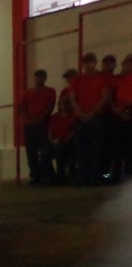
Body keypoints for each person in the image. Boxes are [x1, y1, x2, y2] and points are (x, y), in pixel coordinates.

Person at [67, 51, 112, 185]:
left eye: (90, 62)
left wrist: (91, 113)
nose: (88, 65)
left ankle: (95, 176)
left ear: (95, 63)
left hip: (97, 118)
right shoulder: (77, 79)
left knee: (96, 148)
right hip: (82, 118)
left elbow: (105, 97)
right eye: (86, 62)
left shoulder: (103, 78)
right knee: (81, 148)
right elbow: (73, 99)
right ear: (83, 64)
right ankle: (83, 177)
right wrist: (81, 113)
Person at [18, 69, 56, 184]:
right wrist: (29, 120)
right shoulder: (28, 92)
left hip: (43, 124)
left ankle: (46, 174)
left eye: (40, 77)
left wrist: (39, 119)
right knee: (31, 152)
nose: (38, 79)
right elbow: (21, 107)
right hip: (31, 125)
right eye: (37, 77)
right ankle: (36, 176)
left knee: (45, 151)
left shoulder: (50, 91)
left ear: (45, 78)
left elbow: (50, 106)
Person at [111, 53, 132, 180]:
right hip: (118, 116)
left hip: (129, 114)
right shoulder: (117, 79)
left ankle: (128, 171)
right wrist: (117, 110)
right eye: (125, 63)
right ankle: (116, 172)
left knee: (129, 145)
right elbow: (110, 97)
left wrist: (125, 110)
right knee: (117, 145)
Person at [48, 93, 77, 185]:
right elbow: (50, 131)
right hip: (55, 141)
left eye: (65, 104)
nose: (63, 106)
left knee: (63, 150)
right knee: (46, 152)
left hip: (67, 141)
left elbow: (73, 131)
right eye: (61, 104)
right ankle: (53, 176)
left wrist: (64, 140)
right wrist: (53, 141)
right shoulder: (54, 117)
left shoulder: (73, 116)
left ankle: (63, 175)